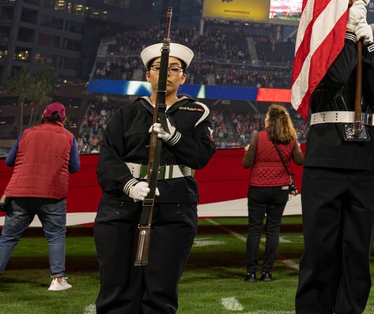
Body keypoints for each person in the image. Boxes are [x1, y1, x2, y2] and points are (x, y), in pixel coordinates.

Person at [295, 0, 374, 314]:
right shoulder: (318, 46)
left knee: (357, 253)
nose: (355, 10)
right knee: (319, 251)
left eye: (360, 6)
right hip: (326, 154)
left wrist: (368, 48)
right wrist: (347, 38)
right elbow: (332, 80)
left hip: (365, 159)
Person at [93, 41, 216, 314]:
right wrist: (129, 185)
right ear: (147, 74)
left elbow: (202, 157)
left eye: (175, 68)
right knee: (116, 291)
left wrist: (175, 138)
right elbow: (107, 159)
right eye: (159, 67)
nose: (167, 73)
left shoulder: (196, 113)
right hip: (121, 207)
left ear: (183, 77)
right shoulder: (126, 114)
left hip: (174, 208)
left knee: (159, 293)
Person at [0, 102, 80, 291]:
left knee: (8, 238)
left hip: (20, 193)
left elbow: (10, 161)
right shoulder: (69, 137)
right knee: (55, 236)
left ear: (43, 116)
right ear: (63, 118)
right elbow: (75, 168)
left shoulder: (27, 133)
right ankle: (57, 280)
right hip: (53, 194)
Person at [242, 104, 304, 282]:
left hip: (258, 188)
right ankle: (267, 272)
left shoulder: (258, 137)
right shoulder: (290, 138)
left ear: (269, 119)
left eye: (266, 115)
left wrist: (247, 151)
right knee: (273, 230)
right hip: (280, 189)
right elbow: (300, 161)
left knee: (254, 230)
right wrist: (297, 145)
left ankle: (251, 273)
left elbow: (246, 164)